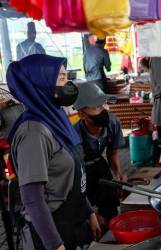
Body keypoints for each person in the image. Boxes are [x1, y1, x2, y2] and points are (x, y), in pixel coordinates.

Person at [7, 54, 101, 250]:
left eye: (67, 77)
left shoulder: (56, 117)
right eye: (61, 79)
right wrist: (55, 245)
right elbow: (32, 199)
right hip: (51, 232)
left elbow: (73, 172)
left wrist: (89, 212)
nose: (68, 84)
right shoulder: (34, 132)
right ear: (40, 85)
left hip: (72, 219)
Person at [73, 82, 125, 224]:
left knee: (111, 206)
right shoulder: (74, 136)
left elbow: (112, 152)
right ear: (82, 114)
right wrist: (91, 212)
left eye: (104, 104)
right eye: (97, 107)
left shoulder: (113, 123)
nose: (104, 110)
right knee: (90, 219)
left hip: (100, 165)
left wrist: (117, 174)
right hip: (81, 172)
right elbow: (76, 175)